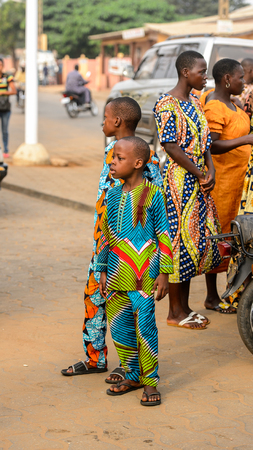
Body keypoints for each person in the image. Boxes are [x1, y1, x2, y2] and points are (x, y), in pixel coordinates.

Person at [61, 97, 163, 382]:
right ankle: (95, 357)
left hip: (131, 251)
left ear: (116, 121)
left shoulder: (140, 154)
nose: (102, 123)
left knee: (127, 308)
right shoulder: (117, 150)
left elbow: (153, 202)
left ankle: (129, 367)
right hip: (105, 244)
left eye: (105, 118)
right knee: (94, 297)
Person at [98, 136, 173, 406]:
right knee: (119, 329)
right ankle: (132, 374)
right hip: (117, 273)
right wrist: (103, 267)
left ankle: (151, 382)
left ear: (138, 162)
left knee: (145, 329)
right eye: (113, 157)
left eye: (119, 158)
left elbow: (164, 235)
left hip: (144, 276)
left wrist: (164, 273)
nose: (113, 162)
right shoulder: (113, 193)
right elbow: (106, 235)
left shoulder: (154, 195)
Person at [153, 50, 221, 330]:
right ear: (185, 72)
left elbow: (204, 144)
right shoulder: (165, 104)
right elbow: (170, 147)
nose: (205, 76)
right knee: (179, 242)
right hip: (179, 182)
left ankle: (185, 307)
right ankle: (174, 313)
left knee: (196, 244)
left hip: (199, 180)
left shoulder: (195, 101)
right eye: (201, 71)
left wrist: (211, 169)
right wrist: (199, 172)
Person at [200, 59, 253, 313]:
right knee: (220, 240)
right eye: (240, 78)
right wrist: (247, 139)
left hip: (238, 184)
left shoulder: (232, 103)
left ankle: (230, 293)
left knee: (236, 239)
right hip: (223, 183)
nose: (244, 82)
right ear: (227, 80)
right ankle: (212, 297)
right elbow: (212, 145)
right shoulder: (215, 107)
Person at [0, 58, 17, 158]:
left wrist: (3, 92)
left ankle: (6, 150)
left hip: (5, 108)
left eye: (0, 65)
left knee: (5, 130)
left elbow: (14, 91)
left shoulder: (7, 77)